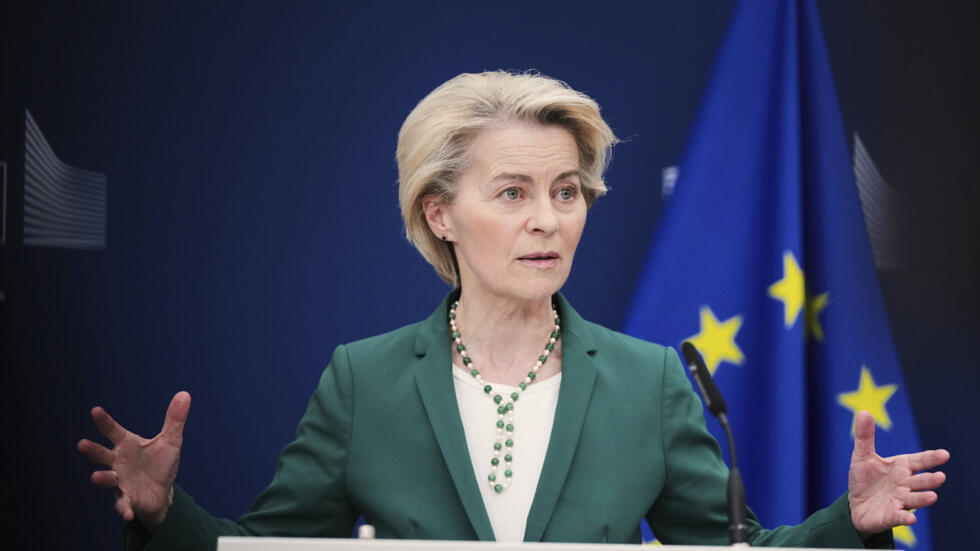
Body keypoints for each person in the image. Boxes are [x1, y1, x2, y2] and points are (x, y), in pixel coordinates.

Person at [78, 71, 949, 549]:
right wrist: (167, 513)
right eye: (514, 191)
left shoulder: (649, 381)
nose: (548, 218)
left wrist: (851, 525)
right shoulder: (364, 381)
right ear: (440, 213)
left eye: (567, 191)